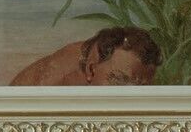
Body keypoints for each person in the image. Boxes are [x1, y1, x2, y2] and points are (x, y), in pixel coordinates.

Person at [11, 26, 163, 87]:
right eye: (119, 81)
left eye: (142, 87)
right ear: (91, 70)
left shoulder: (110, 63)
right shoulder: (53, 80)